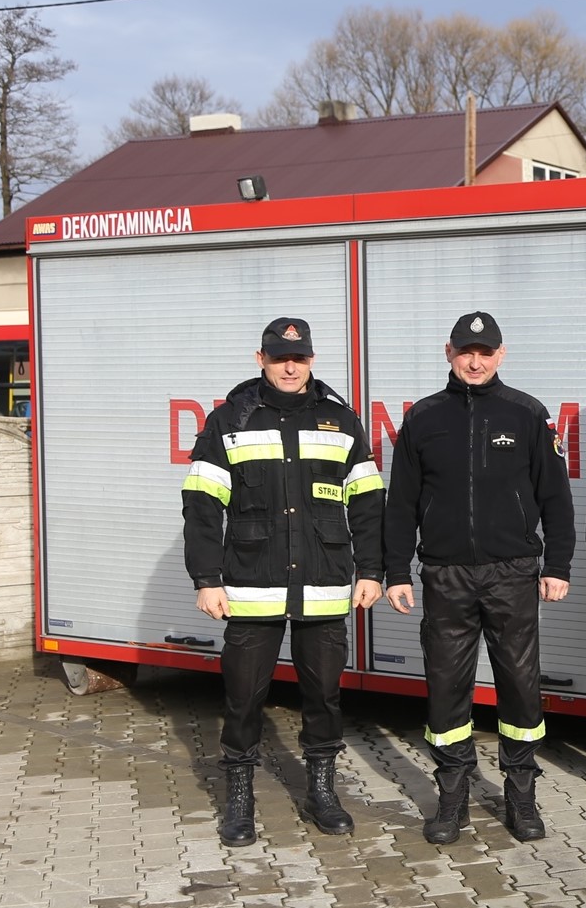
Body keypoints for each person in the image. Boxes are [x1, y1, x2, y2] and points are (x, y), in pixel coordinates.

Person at [181, 317, 386, 848]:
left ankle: (322, 790)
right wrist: (206, 578)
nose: (290, 367)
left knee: (324, 695)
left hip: (323, 584)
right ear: (261, 360)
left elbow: (367, 502)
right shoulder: (229, 420)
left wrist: (372, 571)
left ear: (311, 360)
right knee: (243, 698)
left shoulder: (340, 420)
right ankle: (240, 799)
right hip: (252, 587)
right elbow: (202, 505)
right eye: (278, 358)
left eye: (299, 358)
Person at [382, 311, 575, 845]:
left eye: (485, 352)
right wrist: (397, 570)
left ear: (500, 355)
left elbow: (556, 499)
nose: (475, 361)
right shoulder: (424, 418)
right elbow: (400, 504)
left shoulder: (527, 414)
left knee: (519, 685)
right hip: (444, 574)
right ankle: (452, 799)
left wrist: (557, 565)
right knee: (447, 689)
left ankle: (521, 796)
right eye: (466, 351)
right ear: (448, 352)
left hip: (512, 573)